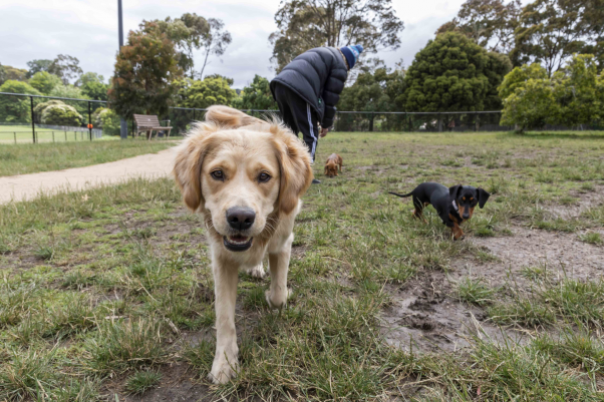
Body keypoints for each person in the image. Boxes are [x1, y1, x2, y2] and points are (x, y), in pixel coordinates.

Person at [270, 45, 363, 184]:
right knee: (311, 134)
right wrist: (326, 124)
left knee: (289, 133)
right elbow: (330, 98)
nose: (347, 70)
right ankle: (305, 174)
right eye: (349, 67)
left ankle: (285, 171)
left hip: (280, 84)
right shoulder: (340, 65)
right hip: (299, 88)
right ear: (348, 62)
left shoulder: (326, 52)